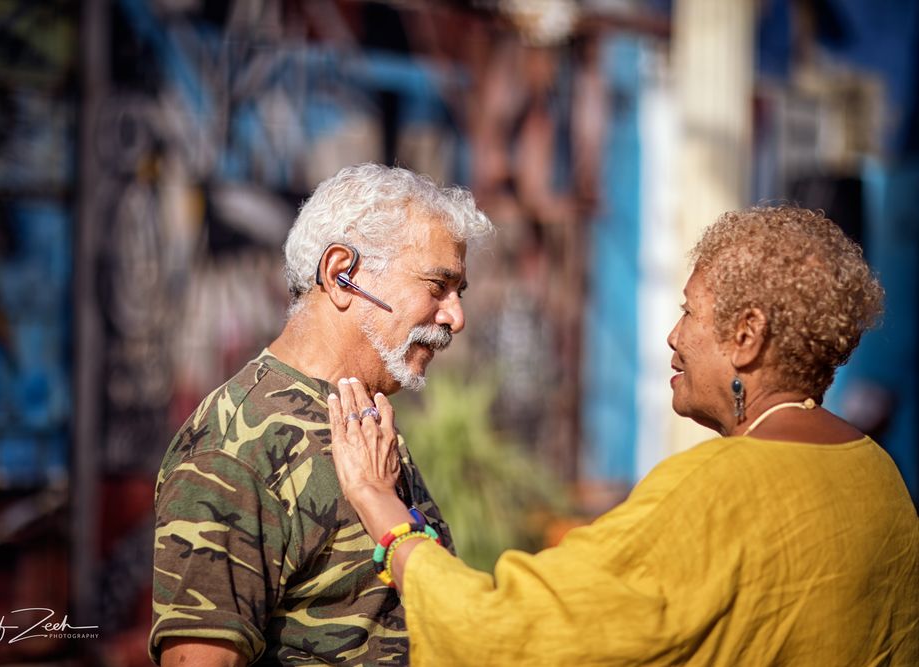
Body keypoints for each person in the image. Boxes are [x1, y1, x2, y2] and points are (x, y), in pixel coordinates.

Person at [327, 205, 919, 666]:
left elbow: (512, 631)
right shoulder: (877, 476)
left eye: (689, 312)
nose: (672, 336)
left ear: (747, 337)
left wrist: (383, 508)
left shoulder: (716, 488)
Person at [149, 163, 494, 666]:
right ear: (341, 275)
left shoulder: (364, 420)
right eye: (437, 286)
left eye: (459, 292)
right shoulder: (235, 445)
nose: (455, 317)